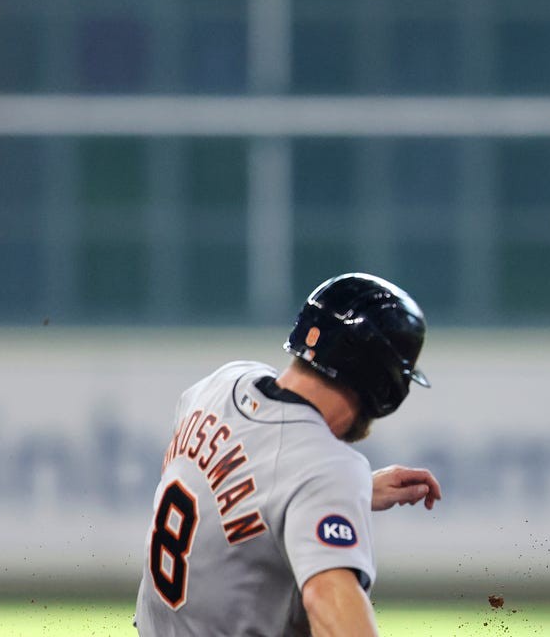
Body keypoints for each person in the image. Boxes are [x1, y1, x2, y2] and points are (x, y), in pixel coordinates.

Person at [134, 273, 441, 637]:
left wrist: (344, 493)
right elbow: (327, 600)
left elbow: (226, 475)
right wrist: (330, 489)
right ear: (384, 384)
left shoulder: (222, 384)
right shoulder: (324, 469)